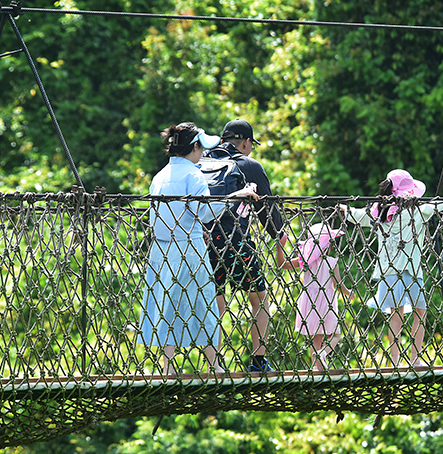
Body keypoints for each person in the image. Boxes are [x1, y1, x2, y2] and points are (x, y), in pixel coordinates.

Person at [138, 122, 258, 376]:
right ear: (194, 147)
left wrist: (191, 227)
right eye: (202, 148)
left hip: (161, 251)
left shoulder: (161, 175)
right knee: (205, 306)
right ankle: (213, 365)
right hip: (189, 251)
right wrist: (237, 195)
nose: (203, 153)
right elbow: (203, 211)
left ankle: (168, 367)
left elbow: (164, 215)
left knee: (167, 305)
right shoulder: (193, 175)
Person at [343, 169, 443, 368]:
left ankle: (395, 361)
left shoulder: (378, 213)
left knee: (396, 317)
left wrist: (343, 208)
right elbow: (442, 203)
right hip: (411, 271)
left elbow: (357, 215)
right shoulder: (418, 212)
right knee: (420, 312)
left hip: (389, 273)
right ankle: (415, 359)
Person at [206, 119, 288, 373]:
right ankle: (258, 361)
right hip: (235, 241)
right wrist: (279, 235)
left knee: (216, 304)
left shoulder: (202, 161)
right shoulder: (249, 166)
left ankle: (213, 364)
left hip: (203, 241)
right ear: (246, 142)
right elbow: (267, 208)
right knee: (260, 299)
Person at [277, 223, 353, 372]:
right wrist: (348, 292)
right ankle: (323, 354)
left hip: (309, 302)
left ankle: (317, 367)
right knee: (335, 335)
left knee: (316, 338)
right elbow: (338, 285)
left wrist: (279, 247)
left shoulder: (305, 261)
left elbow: (282, 264)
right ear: (330, 247)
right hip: (326, 302)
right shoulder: (332, 262)